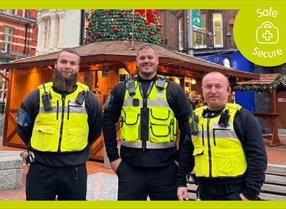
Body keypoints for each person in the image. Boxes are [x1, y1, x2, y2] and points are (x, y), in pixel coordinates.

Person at [103, 43, 191, 200]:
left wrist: (180, 162)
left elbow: (188, 125)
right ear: (136, 61)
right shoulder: (121, 89)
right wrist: (114, 159)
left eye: (150, 57)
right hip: (130, 170)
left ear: (157, 61)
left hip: (166, 169)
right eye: (142, 58)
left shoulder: (173, 90)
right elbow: (108, 120)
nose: (146, 61)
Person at [16, 48, 102, 200]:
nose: (67, 66)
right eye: (63, 62)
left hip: (74, 171)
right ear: (55, 65)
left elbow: (95, 129)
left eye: (72, 63)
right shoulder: (37, 95)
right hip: (40, 168)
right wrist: (34, 144)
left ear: (77, 68)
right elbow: (22, 125)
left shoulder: (89, 99)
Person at [177, 71, 267, 200]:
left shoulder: (241, 116)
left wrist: (250, 193)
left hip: (235, 193)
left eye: (218, 86)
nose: (213, 91)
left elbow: (257, 157)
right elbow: (187, 152)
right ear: (202, 90)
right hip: (204, 192)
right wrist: (181, 182)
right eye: (208, 87)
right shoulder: (195, 117)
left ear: (228, 90)